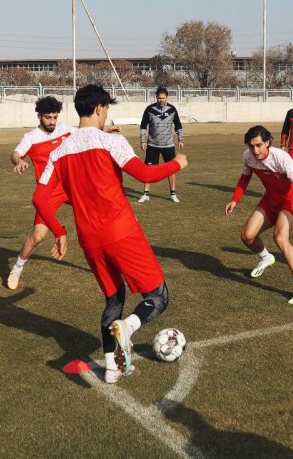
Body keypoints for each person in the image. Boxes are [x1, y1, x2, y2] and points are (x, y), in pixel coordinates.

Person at [32, 84, 187, 384]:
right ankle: (128, 328)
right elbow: (144, 174)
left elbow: (39, 199)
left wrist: (59, 231)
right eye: (107, 109)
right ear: (100, 108)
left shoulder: (59, 149)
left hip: (89, 239)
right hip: (121, 231)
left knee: (114, 298)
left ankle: (113, 369)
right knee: (158, 297)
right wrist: (176, 163)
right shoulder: (109, 141)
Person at [225, 125, 293, 304]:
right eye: (251, 146)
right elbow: (245, 177)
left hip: (291, 200)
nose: (255, 150)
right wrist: (235, 199)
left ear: (268, 143)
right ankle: (266, 257)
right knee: (247, 236)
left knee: (280, 238)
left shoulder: (281, 158)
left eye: (258, 145)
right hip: (270, 199)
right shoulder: (248, 156)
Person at [7, 96, 74, 290]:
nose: (52, 122)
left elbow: (87, 134)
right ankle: (17, 268)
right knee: (37, 236)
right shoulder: (31, 137)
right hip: (49, 192)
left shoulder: (65, 129)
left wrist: (106, 130)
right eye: (48, 118)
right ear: (39, 116)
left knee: (98, 214)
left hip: (71, 186)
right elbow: (15, 153)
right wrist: (19, 161)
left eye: (54, 117)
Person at [137, 87, 184, 203]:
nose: (161, 100)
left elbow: (178, 125)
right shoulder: (149, 109)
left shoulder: (172, 109)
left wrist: (180, 139)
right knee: (148, 170)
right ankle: (146, 194)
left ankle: (173, 193)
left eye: (163, 98)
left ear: (167, 97)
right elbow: (143, 126)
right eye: (159, 98)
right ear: (156, 97)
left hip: (168, 145)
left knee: (171, 170)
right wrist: (143, 141)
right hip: (153, 145)